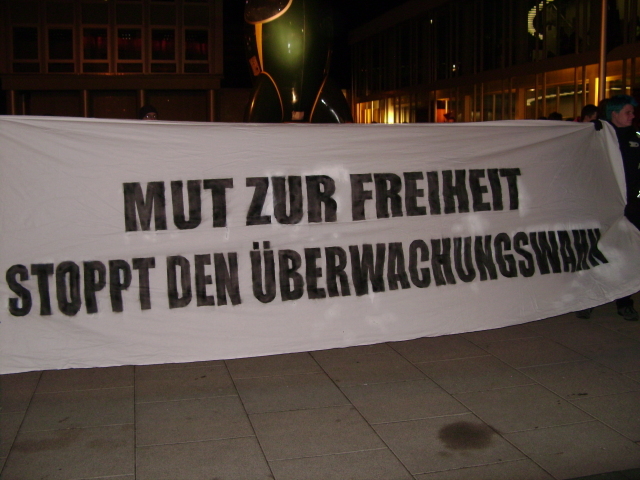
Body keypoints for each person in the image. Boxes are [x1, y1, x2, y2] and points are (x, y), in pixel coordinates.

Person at [576, 95, 640, 321]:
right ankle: (589, 299)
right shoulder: (598, 133)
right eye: (628, 112)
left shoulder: (635, 137)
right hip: (600, 204)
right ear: (614, 114)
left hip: (629, 206)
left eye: (632, 112)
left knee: (626, 253)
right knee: (597, 251)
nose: (632, 116)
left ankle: (624, 301)